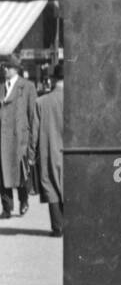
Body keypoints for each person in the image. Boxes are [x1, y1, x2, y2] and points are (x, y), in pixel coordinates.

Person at [0, 51, 37, 219]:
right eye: (3, 66)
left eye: (7, 66)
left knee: (21, 173)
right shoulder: (0, 86)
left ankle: (24, 201)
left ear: (16, 68)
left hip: (19, 139)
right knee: (2, 174)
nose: (4, 69)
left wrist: (31, 143)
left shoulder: (27, 87)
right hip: (2, 139)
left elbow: (32, 116)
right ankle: (7, 208)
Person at [33, 61, 64, 236]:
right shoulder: (78, 101)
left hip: (48, 149)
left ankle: (58, 227)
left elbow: (34, 133)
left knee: (51, 185)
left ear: (53, 79)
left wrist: (31, 153)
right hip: (71, 150)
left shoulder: (41, 102)